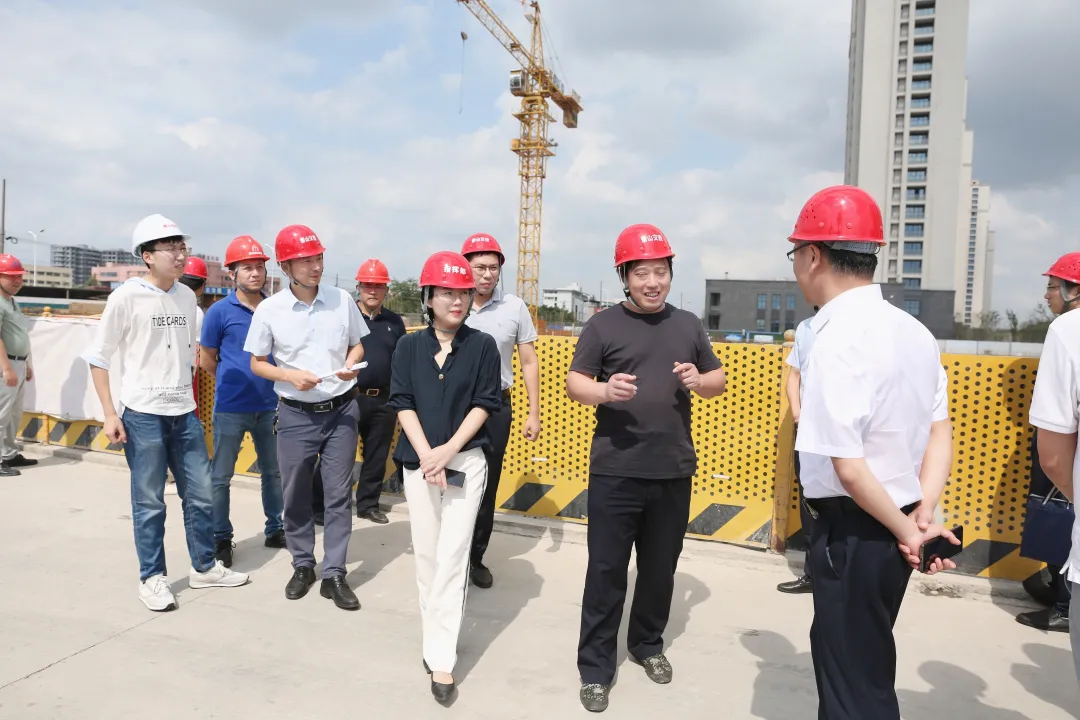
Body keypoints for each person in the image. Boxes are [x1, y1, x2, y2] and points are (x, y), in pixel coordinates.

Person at [787, 185, 960, 719]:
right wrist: (921, 514)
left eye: (795, 254)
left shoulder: (834, 337)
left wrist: (911, 532)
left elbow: (849, 468)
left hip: (855, 530)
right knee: (865, 660)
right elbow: (940, 433)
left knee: (854, 690)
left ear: (813, 255)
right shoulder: (915, 332)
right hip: (897, 521)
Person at [567, 224, 727, 713]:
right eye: (642, 273)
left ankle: (646, 644)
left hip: (672, 469)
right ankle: (596, 669)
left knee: (660, 569)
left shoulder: (688, 324)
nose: (653, 282)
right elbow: (575, 383)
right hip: (616, 470)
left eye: (660, 271)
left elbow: (717, 379)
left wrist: (699, 380)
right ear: (625, 276)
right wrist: (604, 391)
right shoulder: (603, 326)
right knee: (606, 571)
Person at [83, 213, 249, 612]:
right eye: (170, 248)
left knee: (202, 493)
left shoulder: (187, 297)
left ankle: (204, 566)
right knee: (150, 502)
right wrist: (110, 414)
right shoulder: (125, 297)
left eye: (182, 247)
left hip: (184, 413)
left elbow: (190, 355)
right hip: (142, 414)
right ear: (147, 256)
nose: (179, 255)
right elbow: (98, 358)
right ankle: (152, 577)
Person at [388, 251, 502, 704]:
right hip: (419, 464)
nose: (457, 301)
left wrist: (449, 450)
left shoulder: (483, 346)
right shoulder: (408, 346)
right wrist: (427, 456)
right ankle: (434, 637)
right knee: (427, 555)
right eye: (447, 293)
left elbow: (485, 403)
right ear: (429, 297)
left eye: (464, 293)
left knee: (453, 556)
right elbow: (402, 401)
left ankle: (441, 658)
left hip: (465, 463)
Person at [244, 224, 368, 611]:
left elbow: (358, 345)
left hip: (341, 410)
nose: (315, 266)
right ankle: (302, 564)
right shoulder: (270, 310)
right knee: (295, 494)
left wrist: (349, 365)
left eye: (319, 258)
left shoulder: (341, 300)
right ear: (285, 267)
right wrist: (289, 376)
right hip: (296, 414)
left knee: (338, 494)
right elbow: (257, 363)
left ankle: (334, 573)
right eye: (305, 261)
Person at [199, 236, 285, 568]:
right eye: (247, 267)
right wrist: (232, 379)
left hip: (270, 406)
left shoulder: (274, 308)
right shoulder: (219, 312)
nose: (255, 273)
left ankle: (275, 528)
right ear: (232, 272)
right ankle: (221, 537)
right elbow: (207, 359)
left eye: (259, 267)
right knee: (221, 476)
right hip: (230, 409)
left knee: (273, 473)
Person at [461, 233, 541, 589]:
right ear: (465, 267)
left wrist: (534, 412)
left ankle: (475, 558)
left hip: (496, 406)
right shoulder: (451, 301)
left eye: (493, 267)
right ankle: (448, 555)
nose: (487, 274)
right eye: (480, 267)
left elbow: (528, 361)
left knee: (486, 484)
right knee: (449, 480)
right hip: (454, 407)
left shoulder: (514, 307)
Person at [312, 258, 405, 526]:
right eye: (367, 285)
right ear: (358, 288)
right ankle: (318, 506)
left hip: (383, 400)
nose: (372, 291)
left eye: (378, 286)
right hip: (348, 397)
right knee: (335, 455)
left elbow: (401, 361)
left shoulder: (394, 322)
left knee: (376, 456)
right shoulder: (344, 317)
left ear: (386, 290)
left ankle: (368, 505)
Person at [1017, 253, 1080, 633]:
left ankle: (1065, 606)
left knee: (1061, 521)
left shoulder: (1067, 330)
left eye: (1052, 287)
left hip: (1064, 456)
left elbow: (1055, 458)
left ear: (1075, 291)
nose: (1046, 295)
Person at [777, 307, 818, 594]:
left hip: (852, 434)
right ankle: (812, 574)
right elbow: (794, 376)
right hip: (809, 433)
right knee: (810, 503)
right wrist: (798, 415)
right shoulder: (806, 328)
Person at [0, 254, 37, 476]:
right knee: (1, 413)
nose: (17, 281)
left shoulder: (12, 302)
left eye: (20, 277)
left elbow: (17, 334)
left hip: (18, 363)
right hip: (6, 364)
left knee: (13, 414)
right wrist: (6, 368)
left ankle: (8, 454)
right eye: (11, 276)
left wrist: (26, 363)